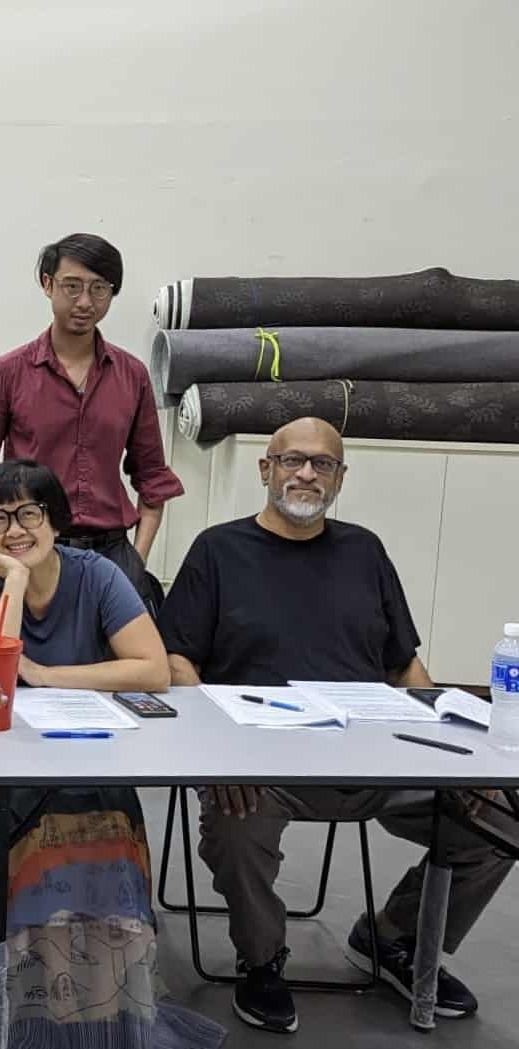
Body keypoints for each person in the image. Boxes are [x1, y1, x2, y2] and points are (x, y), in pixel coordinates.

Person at [162, 416, 515, 1035]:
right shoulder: (217, 551)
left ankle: (391, 936)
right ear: (264, 468)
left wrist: (457, 757)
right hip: (261, 765)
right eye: (292, 460)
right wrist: (216, 757)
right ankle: (262, 957)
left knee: (500, 817)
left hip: (375, 758)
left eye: (322, 464)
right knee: (235, 824)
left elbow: (406, 665)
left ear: (340, 477)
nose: (305, 473)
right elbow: (178, 660)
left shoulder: (365, 551)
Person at [0, 460, 222, 1048]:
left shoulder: (97, 574)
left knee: (108, 831)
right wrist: (13, 584)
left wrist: (44, 675)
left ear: (56, 519)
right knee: (1, 837)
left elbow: (150, 669)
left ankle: (101, 1017)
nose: (16, 528)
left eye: (29, 513)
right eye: (0, 516)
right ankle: (4, 1015)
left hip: (88, 758)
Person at [0, 233, 182, 612]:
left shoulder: (133, 375)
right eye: (71, 287)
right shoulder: (7, 373)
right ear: (47, 284)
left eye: (99, 289)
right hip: (32, 547)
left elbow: (153, 478)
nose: (85, 302)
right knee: (27, 661)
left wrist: (136, 560)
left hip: (113, 552)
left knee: (121, 665)